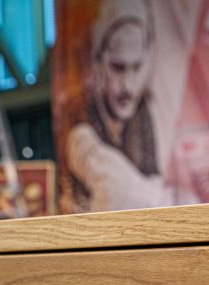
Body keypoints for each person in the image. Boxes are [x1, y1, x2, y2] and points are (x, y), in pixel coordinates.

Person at [63, 0, 171, 212]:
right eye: (118, 67)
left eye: (137, 67)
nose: (128, 86)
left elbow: (155, 185)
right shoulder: (77, 113)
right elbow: (111, 184)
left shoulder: (145, 112)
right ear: (99, 62)